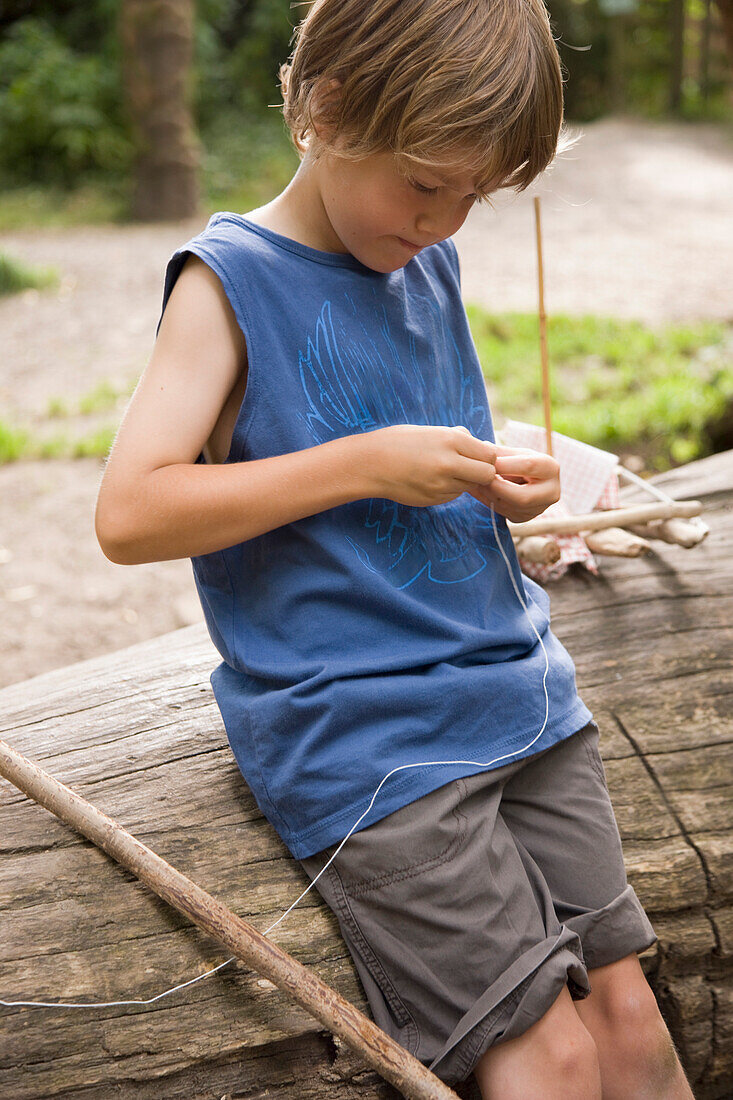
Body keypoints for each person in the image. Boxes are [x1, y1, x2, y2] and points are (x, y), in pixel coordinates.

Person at [94, 1, 695, 1096]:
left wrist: (502, 485)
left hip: (519, 692)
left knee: (633, 1027)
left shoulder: (423, 261)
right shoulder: (226, 283)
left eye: (476, 194)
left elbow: (420, 448)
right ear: (327, 108)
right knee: (551, 1061)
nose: (447, 219)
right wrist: (366, 463)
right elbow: (131, 511)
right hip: (376, 740)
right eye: (428, 182)